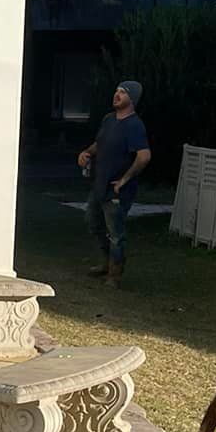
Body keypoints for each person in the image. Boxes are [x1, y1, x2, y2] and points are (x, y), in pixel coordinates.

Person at [78, 80, 151, 285]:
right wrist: (87, 153)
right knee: (93, 223)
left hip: (117, 190)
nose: (116, 95)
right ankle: (105, 263)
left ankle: (115, 274)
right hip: (99, 185)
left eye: (123, 92)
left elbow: (144, 156)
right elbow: (99, 143)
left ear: (132, 99)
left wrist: (124, 180)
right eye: (116, 90)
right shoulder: (109, 120)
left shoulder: (135, 125)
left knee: (116, 233)